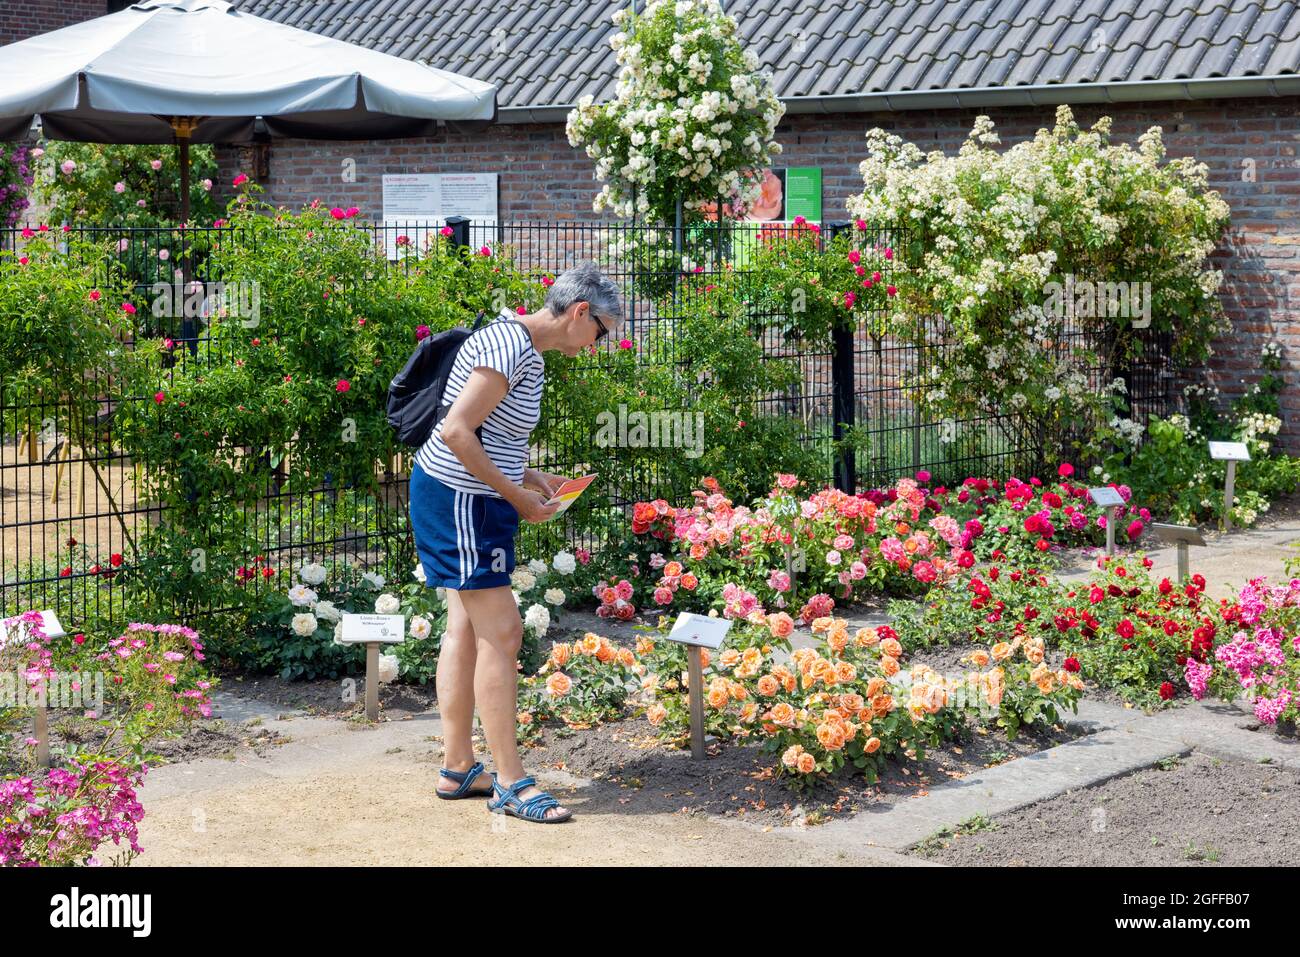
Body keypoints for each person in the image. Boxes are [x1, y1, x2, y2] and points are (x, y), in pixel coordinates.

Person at [408, 260, 624, 823]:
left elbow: (487, 433)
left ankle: (459, 769)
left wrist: (534, 479)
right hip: (460, 501)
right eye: (601, 331)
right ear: (581, 313)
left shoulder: (523, 350)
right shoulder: (509, 346)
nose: (598, 344)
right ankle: (510, 782)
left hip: (470, 498)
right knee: (502, 633)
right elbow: (455, 430)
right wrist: (519, 498)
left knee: (466, 626)